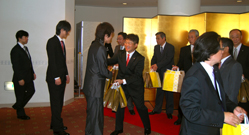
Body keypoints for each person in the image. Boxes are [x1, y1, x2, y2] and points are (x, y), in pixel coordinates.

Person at [180, 32, 246, 135]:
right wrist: (222, 116)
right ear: (210, 51)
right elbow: (191, 112)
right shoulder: (194, 76)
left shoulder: (214, 69)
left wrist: (233, 107)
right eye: (220, 48)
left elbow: (220, 97)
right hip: (199, 131)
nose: (222, 51)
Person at [108, 34, 151, 135]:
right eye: (126, 42)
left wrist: (123, 80)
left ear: (135, 45)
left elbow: (136, 76)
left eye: (129, 43)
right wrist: (100, 58)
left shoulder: (140, 58)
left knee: (140, 107)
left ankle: (147, 127)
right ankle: (119, 128)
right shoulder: (121, 53)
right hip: (122, 86)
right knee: (119, 106)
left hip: (135, 86)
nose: (126, 45)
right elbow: (110, 61)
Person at [83, 22, 114, 135]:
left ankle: (89, 132)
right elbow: (103, 70)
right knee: (96, 116)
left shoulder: (94, 44)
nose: (111, 38)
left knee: (92, 114)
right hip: (95, 87)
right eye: (111, 35)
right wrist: (113, 74)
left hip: (90, 85)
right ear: (105, 35)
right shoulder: (101, 48)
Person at [46, 20, 71, 135]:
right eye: (67, 31)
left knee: (59, 102)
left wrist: (66, 74)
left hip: (61, 76)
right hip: (54, 78)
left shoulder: (61, 42)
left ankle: (54, 123)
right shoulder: (52, 42)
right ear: (62, 30)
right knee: (56, 103)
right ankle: (57, 129)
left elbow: (62, 61)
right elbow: (53, 62)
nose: (67, 34)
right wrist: (56, 77)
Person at [172, 29, 199, 125]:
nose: (190, 39)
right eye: (189, 37)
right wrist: (177, 67)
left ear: (197, 37)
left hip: (198, 79)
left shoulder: (201, 49)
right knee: (183, 98)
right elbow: (180, 63)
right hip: (186, 78)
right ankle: (180, 117)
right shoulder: (184, 49)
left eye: (192, 37)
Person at [10, 30, 36, 120]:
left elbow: (29, 62)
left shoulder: (25, 48)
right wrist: (20, 78)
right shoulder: (15, 50)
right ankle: (20, 114)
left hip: (28, 77)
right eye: (25, 37)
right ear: (19, 38)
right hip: (20, 78)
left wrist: (32, 72)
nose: (27, 39)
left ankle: (18, 105)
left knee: (31, 91)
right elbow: (16, 66)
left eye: (27, 37)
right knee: (20, 96)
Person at [149, 32, 175, 119]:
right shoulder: (156, 47)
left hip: (168, 73)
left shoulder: (170, 47)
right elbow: (154, 57)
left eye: (158, 38)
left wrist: (158, 65)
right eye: (156, 39)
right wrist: (153, 65)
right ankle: (157, 109)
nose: (157, 40)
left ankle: (169, 111)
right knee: (159, 92)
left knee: (168, 93)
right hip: (159, 72)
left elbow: (168, 59)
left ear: (163, 38)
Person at [113, 32, 135, 115]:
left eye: (120, 38)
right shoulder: (116, 48)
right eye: (117, 39)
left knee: (127, 91)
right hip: (118, 73)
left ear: (125, 40)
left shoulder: (129, 48)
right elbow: (114, 58)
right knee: (117, 90)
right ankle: (116, 106)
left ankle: (130, 107)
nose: (118, 40)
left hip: (127, 75)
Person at [229, 29, 249, 113]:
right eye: (232, 37)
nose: (235, 39)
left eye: (237, 37)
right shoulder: (227, 51)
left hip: (243, 84)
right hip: (230, 84)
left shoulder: (247, 50)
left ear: (241, 37)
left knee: (243, 106)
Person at [219, 38, 242, 104]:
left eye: (218, 47)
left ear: (226, 49)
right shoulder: (216, 64)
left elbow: (233, 92)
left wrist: (228, 108)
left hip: (227, 107)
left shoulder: (235, 65)